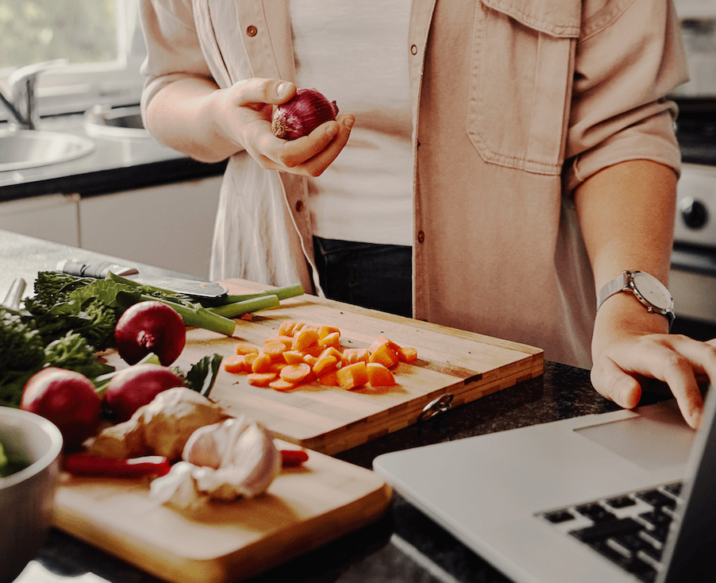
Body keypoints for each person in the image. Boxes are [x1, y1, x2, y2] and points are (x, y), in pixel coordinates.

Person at [138, 0, 716, 428]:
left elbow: (623, 125)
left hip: (508, 331)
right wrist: (221, 114)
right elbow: (169, 83)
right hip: (274, 312)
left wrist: (631, 317)